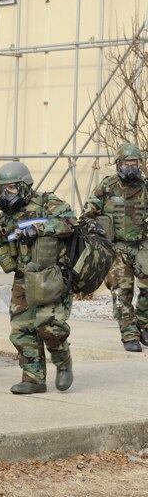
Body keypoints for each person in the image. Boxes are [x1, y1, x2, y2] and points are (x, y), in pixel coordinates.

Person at [0, 161, 76, 394]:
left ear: (23, 186)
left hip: (50, 276)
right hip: (23, 280)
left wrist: (40, 229)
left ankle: (63, 363)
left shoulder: (47, 203)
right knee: (21, 329)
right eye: (2, 189)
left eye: (10, 188)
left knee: (49, 327)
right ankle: (33, 378)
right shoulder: (7, 217)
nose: (5, 194)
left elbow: (70, 222)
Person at [81, 142, 148, 352]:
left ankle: (144, 324)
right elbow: (87, 216)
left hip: (142, 245)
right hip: (116, 247)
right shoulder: (107, 186)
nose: (132, 167)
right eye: (127, 163)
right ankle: (129, 334)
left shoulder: (145, 187)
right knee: (121, 291)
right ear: (119, 164)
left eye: (135, 163)